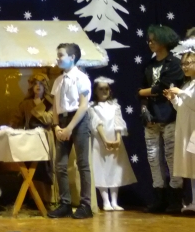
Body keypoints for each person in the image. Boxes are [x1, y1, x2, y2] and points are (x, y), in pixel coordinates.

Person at [138, 25, 184, 213]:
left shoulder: (174, 63)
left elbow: (163, 87)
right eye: (149, 40)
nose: (150, 43)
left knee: (172, 157)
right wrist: (143, 107)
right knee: (153, 157)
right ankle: (159, 197)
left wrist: (143, 92)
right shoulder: (149, 65)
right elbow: (142, 89)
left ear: (164, 41)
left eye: (154, 40)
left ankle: (175, 199)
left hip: (170, 116)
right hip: (151, 118)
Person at [48, 43, 93, 219]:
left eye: (61, 55)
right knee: (60, 165)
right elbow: (55, 107)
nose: (58, 58)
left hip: (78, 121)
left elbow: (83, 106)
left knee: (82, 163)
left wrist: (69, 128)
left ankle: (86, 205)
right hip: (63, 120)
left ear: (72, 57)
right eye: (58, 55)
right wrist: (56, 126)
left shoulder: (81, 78)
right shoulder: (58, 81)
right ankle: (64, 203)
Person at [88, 77, 137, 211]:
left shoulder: (115, 106)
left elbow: (118, 123)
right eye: (101, 89)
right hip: (99, 142)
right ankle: (106, 201)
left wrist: (118, 140)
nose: (104, 91)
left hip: (115, 142)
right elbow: (97, 124)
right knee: (101, 169)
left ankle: (114, 201)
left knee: (115, 169)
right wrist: (105, 140)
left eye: (106, 88)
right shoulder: (92, 107)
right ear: (95, 91)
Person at [10, 73, 56, 201]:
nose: (38, 86)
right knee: (31, 167)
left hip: (45, 139)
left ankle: (48, 199)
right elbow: (16, 120)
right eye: (35, 83)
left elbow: (48, 119)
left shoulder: (50, 103)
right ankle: (33, 199)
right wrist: (11, 129)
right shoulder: (26, 103)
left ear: (45, 86)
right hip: (30, 140)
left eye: (41, 84)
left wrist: (38, 105)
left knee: (45, 168)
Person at [165, 39, 195, 213]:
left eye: (188, 63)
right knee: (192, 166)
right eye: (182, 64)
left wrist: (181, 93)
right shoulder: (188, 84)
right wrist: (174, 99)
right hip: (187, 127)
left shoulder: (188, 87)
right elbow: (183, 108)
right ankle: (194, 201)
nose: (184, 67)